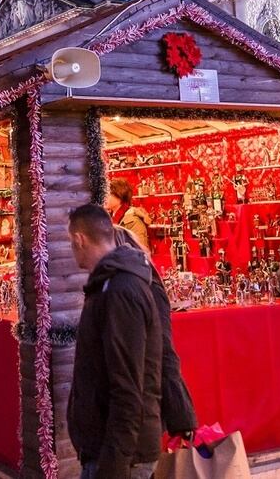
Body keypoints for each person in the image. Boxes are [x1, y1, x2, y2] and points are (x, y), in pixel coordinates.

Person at [67, 203, 162, 479]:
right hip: (112, 450)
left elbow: (128, 385)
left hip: (119, 456)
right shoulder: (110, 286)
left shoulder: (120, 291)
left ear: (79, 239)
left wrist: (115, 465)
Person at [114, 227, 196, 440]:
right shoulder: (129, 285)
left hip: (146, 399)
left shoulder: (145, 286)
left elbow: (164, 352)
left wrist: (182, 419)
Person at [106, 178, 151, 253]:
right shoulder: (109, 218)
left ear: (119, 195)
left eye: (108, 194)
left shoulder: (134, 221)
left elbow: (140, 254)